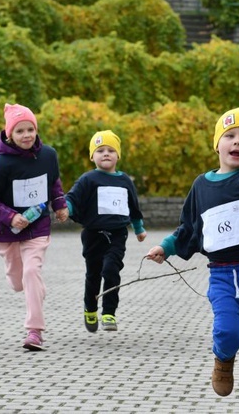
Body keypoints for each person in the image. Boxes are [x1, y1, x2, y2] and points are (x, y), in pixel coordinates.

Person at [146, 107, 239, 414]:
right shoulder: (201, 186)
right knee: (228, 331)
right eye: (230, 136)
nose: (237, 142)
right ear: (217, 144)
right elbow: (189, 227)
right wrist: (166, 247)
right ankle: (223, 359)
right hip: (222, 276)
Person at [0, 103, 69, 352]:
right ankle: (34, 289)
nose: (27, 135)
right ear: (9, 135)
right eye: (20, 131)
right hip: (7, 231)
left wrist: (60, 204)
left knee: (31, 272)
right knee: (19, 282)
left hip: (38, 227)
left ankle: (34, 331)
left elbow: (54, 183)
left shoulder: (48, 155)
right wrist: (9, 217)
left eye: (31, 129)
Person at [65, 130, 146, 333]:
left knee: (111, 270)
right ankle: (90, 309)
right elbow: (73, 199)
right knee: (93, 275)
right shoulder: (88, 179)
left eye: (111, 150)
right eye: (100, 150)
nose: (106, 154)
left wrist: (139, 229)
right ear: (92, 156)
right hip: (93, 235)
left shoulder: (124, 180)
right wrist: (65, 209)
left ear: (118, 155)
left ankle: (109, 312)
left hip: (118, 234)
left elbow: (133, 207)